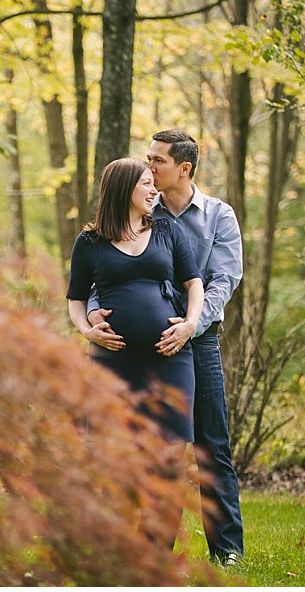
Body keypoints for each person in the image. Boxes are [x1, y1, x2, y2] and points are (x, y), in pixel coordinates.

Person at [88, 130, 245, 565]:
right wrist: (94, 316)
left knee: (210, 445)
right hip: (136, 350)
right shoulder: (137, 211)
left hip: (198, 343)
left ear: (184, 169)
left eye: (157, 161)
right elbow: (107, 271)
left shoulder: (217, 216)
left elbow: (223, 280)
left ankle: (227, 550)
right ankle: (145, 547)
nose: (149, 167)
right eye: (148, 159)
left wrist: (189, 326)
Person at [66, 157, 204, 445]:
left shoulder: (168, 231)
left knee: (169, 451)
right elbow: (76, 299)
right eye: (146, 184)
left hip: (170, 358)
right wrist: (87, 331)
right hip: (114, 362)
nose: (154, 191)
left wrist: (190, 324)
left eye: (153, 185)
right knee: (116, 450)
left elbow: (194, 283)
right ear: (124, 188)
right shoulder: (90, 241)